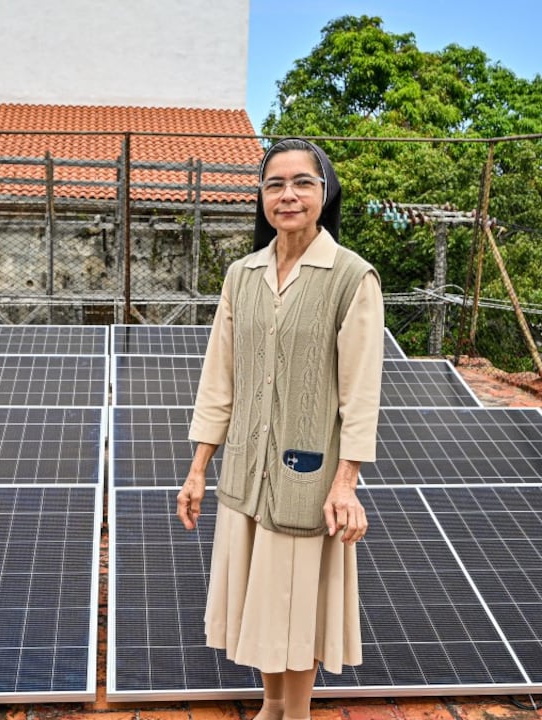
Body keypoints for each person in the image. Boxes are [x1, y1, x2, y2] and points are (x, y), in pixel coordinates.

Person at [176, 138, 383, 720]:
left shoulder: (351, 277)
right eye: (274, 184)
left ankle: (296, 713)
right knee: (259, 600)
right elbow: (219, 378)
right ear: (262, 197)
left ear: (325, 193)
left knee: (295, 604)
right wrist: (198, 469)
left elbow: (361, 392)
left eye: (302, 183)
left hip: (307, 473)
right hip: (245, 468)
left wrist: (346, 482)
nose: (287, 195)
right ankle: (271, 704)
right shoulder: (241, 276)